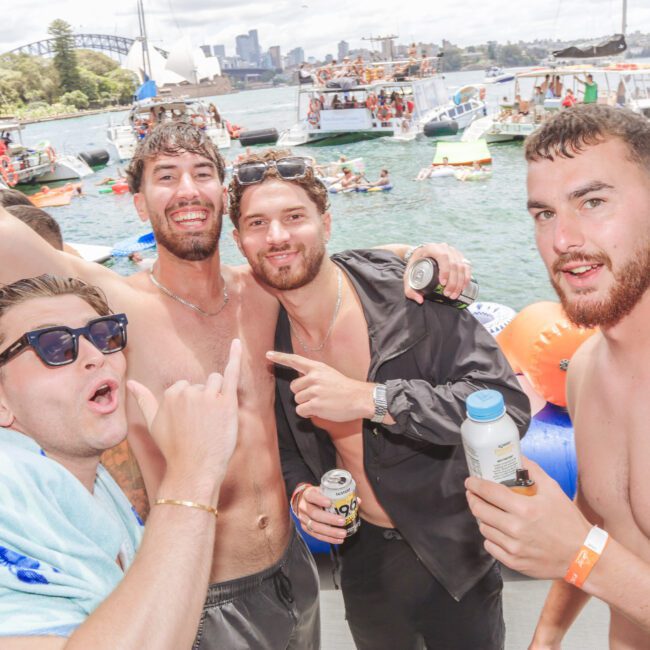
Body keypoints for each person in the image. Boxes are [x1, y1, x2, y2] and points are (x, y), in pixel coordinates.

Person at [0, 121, 467, 649]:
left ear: (221, 195)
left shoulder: (264, 292)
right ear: (137, 203)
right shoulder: (115, 305)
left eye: (201, 173)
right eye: (165, 177)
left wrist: (425, 249)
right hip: (205, 594)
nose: (186, 190)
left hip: (296, 568)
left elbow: (337, 263)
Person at [228, 149, 531, 650]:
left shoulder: (407, 294)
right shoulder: (265, 333)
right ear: (241, 241)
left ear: (325, 223)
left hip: (450, 547)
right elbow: (282, 445)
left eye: (294, 217)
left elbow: (504, 402)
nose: (277, 236)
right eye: (257, 223)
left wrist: (374, 398)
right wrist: (302, 491)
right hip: (362, 560)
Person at [465, 104, 650, 648]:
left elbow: (586, 549)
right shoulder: (586, 370)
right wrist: (545, 637)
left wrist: (580, 557)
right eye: (543, 213)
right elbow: (599, 517)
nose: (562, 239)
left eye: (593, 202)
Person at [0, 274, 240, 647]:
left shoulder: (91, 486)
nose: (97, 356)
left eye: (103, 334)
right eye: (54, 345)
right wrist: (194, 472)